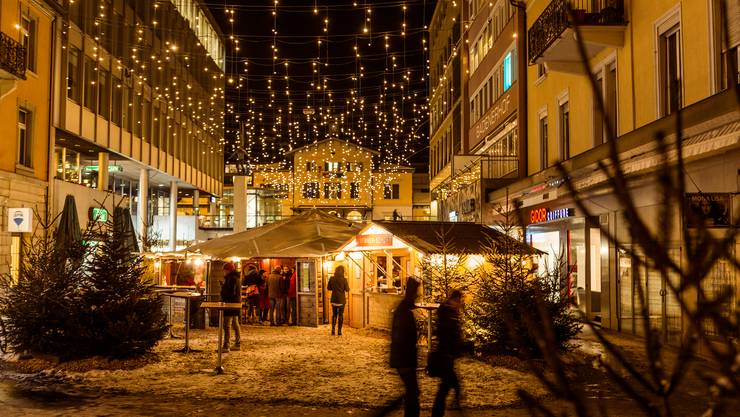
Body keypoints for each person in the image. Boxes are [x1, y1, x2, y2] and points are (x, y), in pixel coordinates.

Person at [389, 277, 421, 417]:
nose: (419, 296)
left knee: (412, 391)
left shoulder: (404, 309)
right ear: (412, 294)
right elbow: (401, 337)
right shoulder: (404, 312)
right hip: (404, 359)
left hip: (403, 358)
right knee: (412, 392)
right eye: (417, 293)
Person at [431, 290, 464, 417]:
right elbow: (447, 334)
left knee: (449, 384)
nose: (460, 303)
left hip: (448, 354)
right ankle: (441, 411)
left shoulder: (449, 312)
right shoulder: (448, 313)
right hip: (445, 354)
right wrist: (450, 350)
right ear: (454, 299)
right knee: (447, 386)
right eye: (459, 300)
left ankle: (454, 404)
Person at [220, 262, 242, 352]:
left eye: (224, 270)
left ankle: (226, 345)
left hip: (230, 304)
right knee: (235, 324)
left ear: (228, 270)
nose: (223, 272)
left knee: (226, 325)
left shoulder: (231, 278)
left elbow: (231, 292)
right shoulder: (236, 278)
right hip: (235, 304)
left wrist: (223, 289)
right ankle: (237, 343)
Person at [327, 265, 349, 336]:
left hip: (334, 299)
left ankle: (333, 330)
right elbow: (347, 289)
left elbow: (328, 288)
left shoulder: (332, 278)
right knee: (340, 315)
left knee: (334, 314)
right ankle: (339, 331)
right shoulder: (344, 279)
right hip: (341, 300)